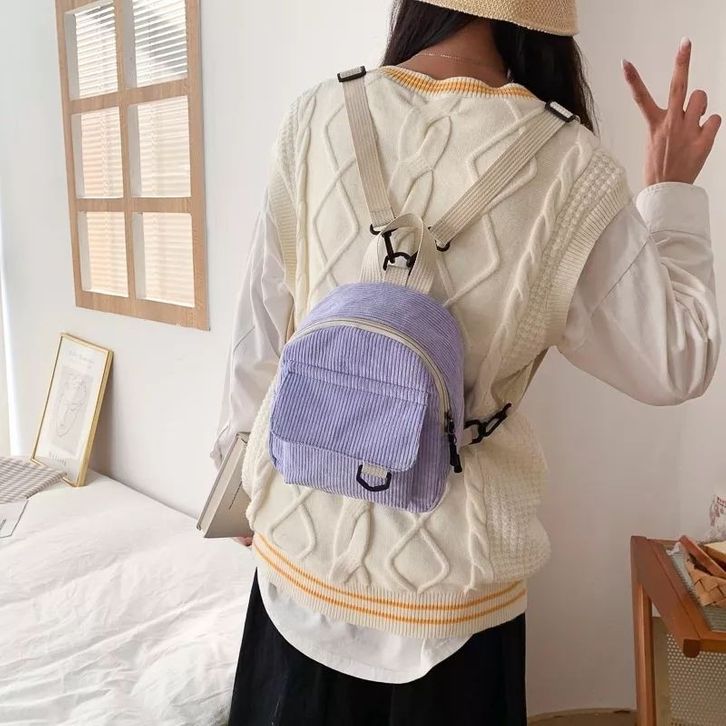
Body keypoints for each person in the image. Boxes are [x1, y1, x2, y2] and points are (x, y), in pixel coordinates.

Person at [210, 1, 721, 723]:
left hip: (296, 562)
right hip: (453, 595)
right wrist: (670, 192)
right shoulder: (570, 165)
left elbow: (262, 327)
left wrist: (239, 471)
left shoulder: (317, 114)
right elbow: (678, 360)